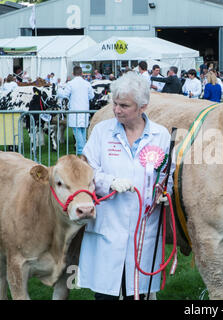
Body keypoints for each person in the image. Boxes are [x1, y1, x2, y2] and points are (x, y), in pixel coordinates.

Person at [78, 71, 173, 300]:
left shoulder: (160, 135)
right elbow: (87, 172)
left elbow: (166, 175)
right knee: (106, 294)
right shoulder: (102, 132)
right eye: (115, 103)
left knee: (137, 292)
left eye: (124, 105)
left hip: (144, 230)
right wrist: (109, 182)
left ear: (142, 107)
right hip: (108, 226)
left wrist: (164, 193)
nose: (117, 109)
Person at [57, 66, 94, 155]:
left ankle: (83, 154)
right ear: (82, 73)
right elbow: (92, 96)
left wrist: (59, 89)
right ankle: (85, 154)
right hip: (84, 112)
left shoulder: (70, 84)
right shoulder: (87, 84)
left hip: (75, 112)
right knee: (83, 133)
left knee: (78, 135)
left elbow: (64, 95)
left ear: (73, 74)